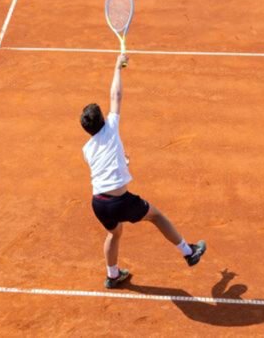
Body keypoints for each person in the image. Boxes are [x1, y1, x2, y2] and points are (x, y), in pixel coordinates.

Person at [81, 53, 206, 289]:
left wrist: (122, 162)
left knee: (114, 233)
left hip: (98, 202)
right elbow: (115, 95)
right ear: (103, 121)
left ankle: (113, 275)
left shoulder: (86, 149)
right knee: (157, 216)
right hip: (120, 201)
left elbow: (104, 167)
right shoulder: (111, 127)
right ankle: (189, 252)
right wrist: (118, 67)